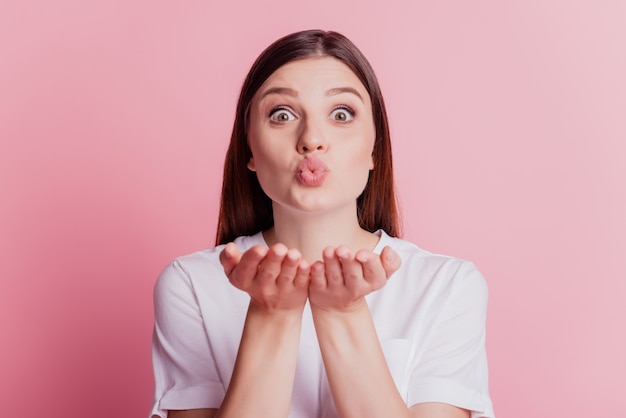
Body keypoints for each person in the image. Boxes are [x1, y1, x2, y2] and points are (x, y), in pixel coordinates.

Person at [149, 29, 495, 418]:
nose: (312, 139)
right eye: (282, 115)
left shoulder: (447, 286)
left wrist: (343, 314)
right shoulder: (191, 284)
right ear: (250, 149)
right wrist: (271, 315)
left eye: (341, 114)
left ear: (374, 150)